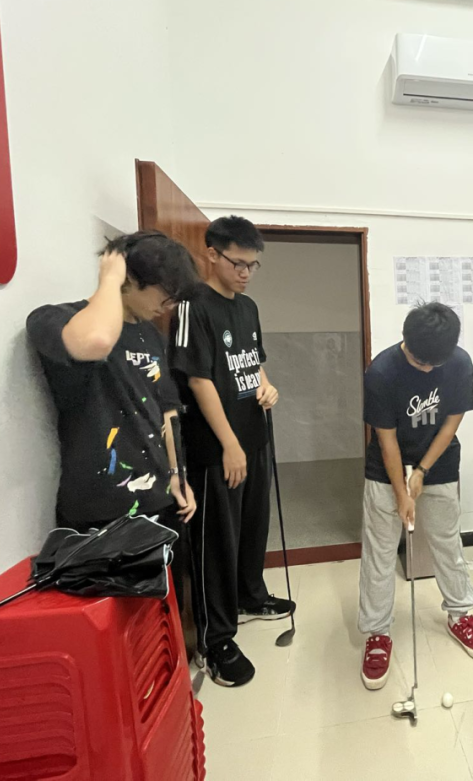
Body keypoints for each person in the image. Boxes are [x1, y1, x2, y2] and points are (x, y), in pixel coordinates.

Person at [169, 215, 290, 688]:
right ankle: (216, 639)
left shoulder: (248, 307)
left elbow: (253, 363)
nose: (245, 273)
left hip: (252, 435)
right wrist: (230, 445)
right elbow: (198, 379)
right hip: (217, 449)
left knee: (251, 528)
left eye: (253, 265)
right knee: (215, 543)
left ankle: (250, 595)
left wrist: (266, 387)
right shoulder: (192, 306)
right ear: (212, 254)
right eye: (237, 263)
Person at [27, 231, 200, 557]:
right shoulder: (56, 318)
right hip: (99, 508)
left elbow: (167, 410)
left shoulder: (151, 334)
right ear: (129, 278)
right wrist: (109, 278)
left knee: (160, 589)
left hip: (159, 501)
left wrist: (178, 476)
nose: (169, 308)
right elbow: (95, 342)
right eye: (166, 296)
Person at [358, 302, 473, 691]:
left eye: (437, 363)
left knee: (448, 543)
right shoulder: (381, 373)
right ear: (406, 342)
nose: (430, 369)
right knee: (381, 552)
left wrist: (422, 472)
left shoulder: (458, 362)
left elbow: (451, 422)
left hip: (440, 463)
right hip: (385, 469)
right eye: (421, 363)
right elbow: (386, 441)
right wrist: (402, 493)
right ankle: (377, 632)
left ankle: (460, 613)